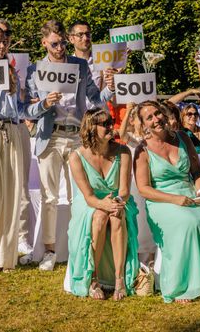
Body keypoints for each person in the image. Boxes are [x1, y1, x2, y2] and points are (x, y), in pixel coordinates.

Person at [26, 19, 115, 271]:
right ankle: (50, 250)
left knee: (82, 193)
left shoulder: (78, 65)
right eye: (54, 44)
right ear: (44, 43)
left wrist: (108, 88)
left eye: (62, 43)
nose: (60, 48)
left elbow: (95, 100)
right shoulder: (35, 70)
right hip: (50, 136)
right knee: (50, 196)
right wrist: (44, 104)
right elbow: (28, 109)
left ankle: (82, 244)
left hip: (77, 135)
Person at [134, 101, 200, 303]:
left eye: (157, 114)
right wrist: (175, 199)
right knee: (189, 223)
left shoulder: (183, 138)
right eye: (149, 117)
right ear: (143, 124)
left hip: (190, 195)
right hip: (161, 201)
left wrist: (199, 190)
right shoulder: (142, 150)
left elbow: (196, 171)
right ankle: (183, 285)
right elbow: (144, 189)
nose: (156, 119)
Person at [67, 108, 139, 300]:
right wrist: (102, 204)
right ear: (91, 128)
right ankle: (93, 278)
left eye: (111, 122)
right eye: (105, 123)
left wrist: (116, 202)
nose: (110, 126)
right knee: (99, 216)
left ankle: (119, 279)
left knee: (116, 216)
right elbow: (88, 197)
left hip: (118, 199)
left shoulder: (123, 151)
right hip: (89, 202)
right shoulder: (76, 157)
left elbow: (124, 190)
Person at [0, 18, 35, 265]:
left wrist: (30, 110)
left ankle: (22, 236)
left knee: (22, 185)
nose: (5, 38)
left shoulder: (21, 63)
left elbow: (25, 96)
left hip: (18, 126)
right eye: (0, 34)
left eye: (8, 34)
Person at [68, 20, 101, 90]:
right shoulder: (67, 66)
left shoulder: (102, 61)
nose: (85, 38)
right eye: (80, 35)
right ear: (71, 39)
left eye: (87, 34)